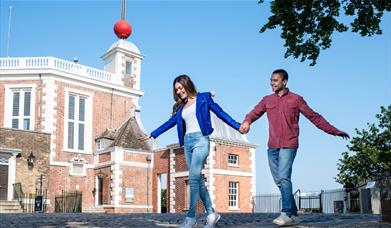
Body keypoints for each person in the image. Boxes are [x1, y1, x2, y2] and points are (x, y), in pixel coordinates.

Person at [239, 69, 349, 226]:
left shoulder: (296, 99)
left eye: (275, 80)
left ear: (284, 82)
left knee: (284, 177)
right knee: (280, 181)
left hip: (289, 144)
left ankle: (286, 213)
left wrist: (334, 131)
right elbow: (254, 113)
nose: (272, 83)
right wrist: (247, 121)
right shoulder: (267, 100)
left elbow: (314, 117)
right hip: (272, 146)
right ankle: (294, 214)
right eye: (271, 80)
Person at [141, 74, 241, 228]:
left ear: (187, 84)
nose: (179, 91)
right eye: (176, 90)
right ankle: (211, 213)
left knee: (193, 177)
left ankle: (191, 217)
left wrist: (238, 126)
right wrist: (153, 134)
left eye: (181, 88)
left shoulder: (203, 99)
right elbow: (170, 123)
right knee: (198, 179)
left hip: (201, 140)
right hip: (187, 143)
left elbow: (221, 113)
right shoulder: (181, 108)